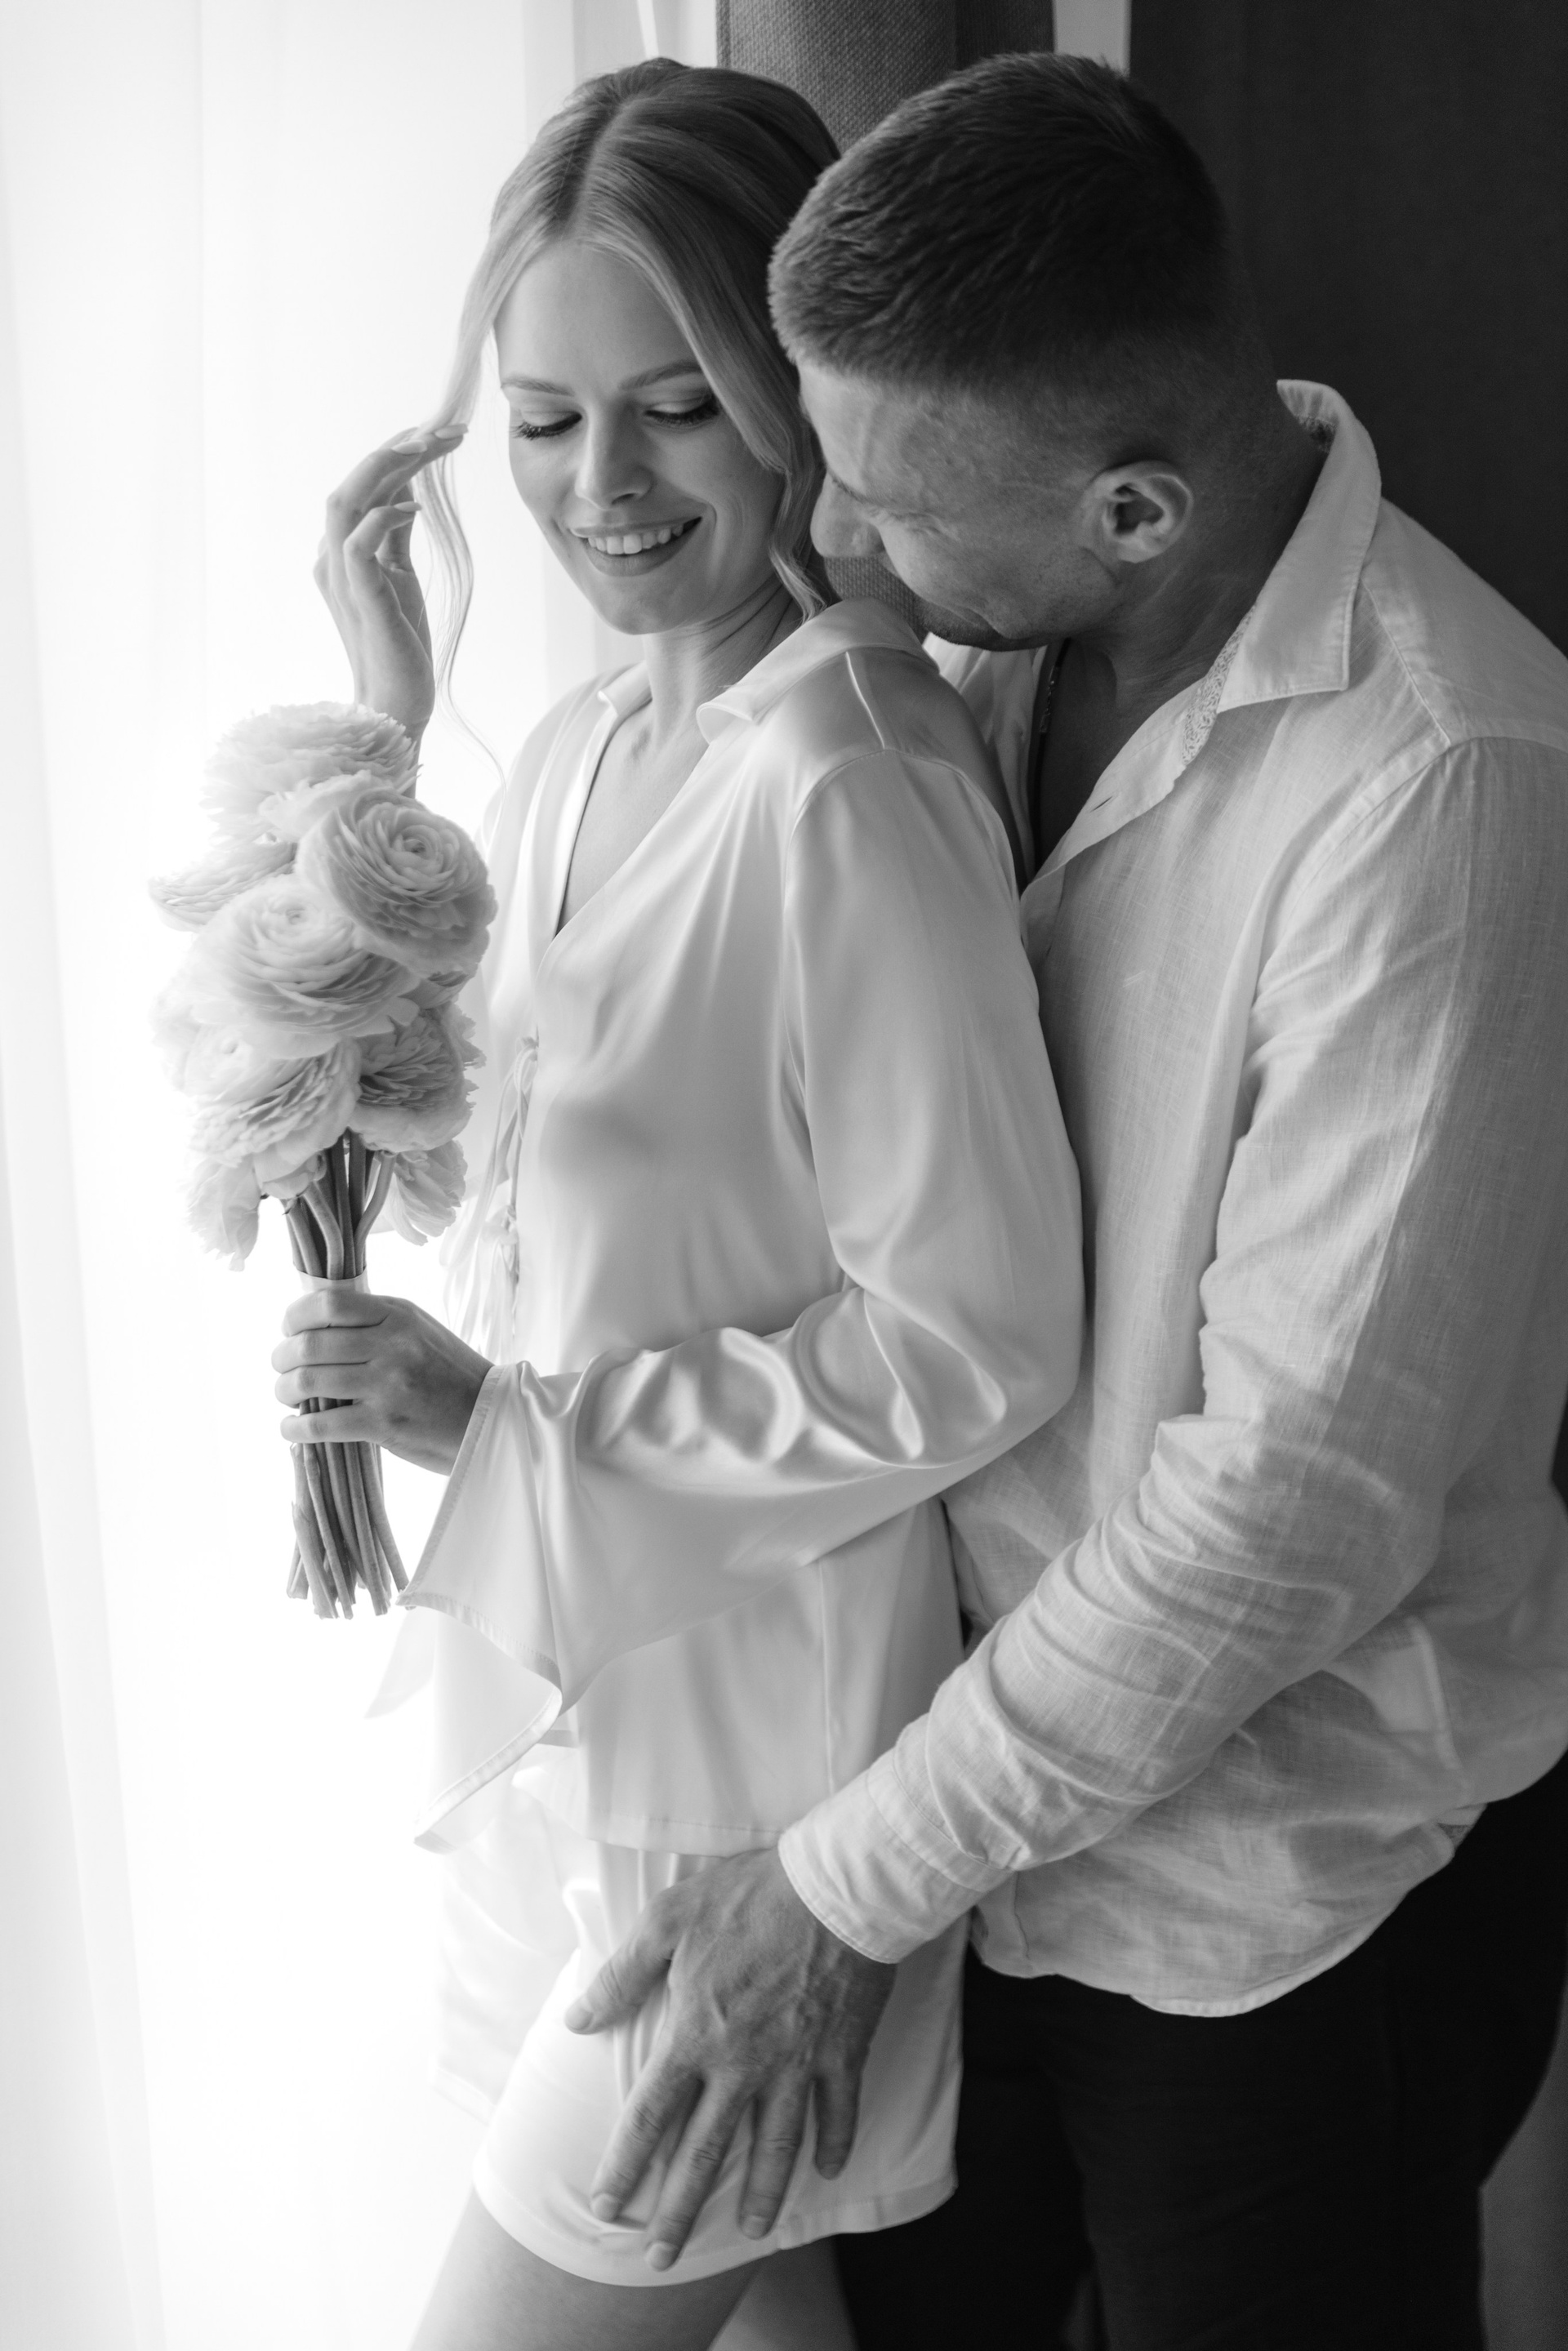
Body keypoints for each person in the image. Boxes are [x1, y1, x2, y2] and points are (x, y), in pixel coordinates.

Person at [561, 54, 1568, 2350]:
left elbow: (1288, 1513)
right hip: (939, 1828)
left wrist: (843, 1885)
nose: (832, 538)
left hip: (1276, 1907)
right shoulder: (971, 667)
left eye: (892, 497)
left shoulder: (1445, 787)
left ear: (1132, 510)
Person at [270, 59, 1084, 2351]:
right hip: (567, 1734)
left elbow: (978, 1337)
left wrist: (506, 1433)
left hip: (748, 1797)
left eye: (678, 408)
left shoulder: (854, 785)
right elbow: (459, 1144)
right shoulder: (578, 759)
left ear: (799, 400)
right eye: (543, 423)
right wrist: (384, 713)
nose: (603, 489)